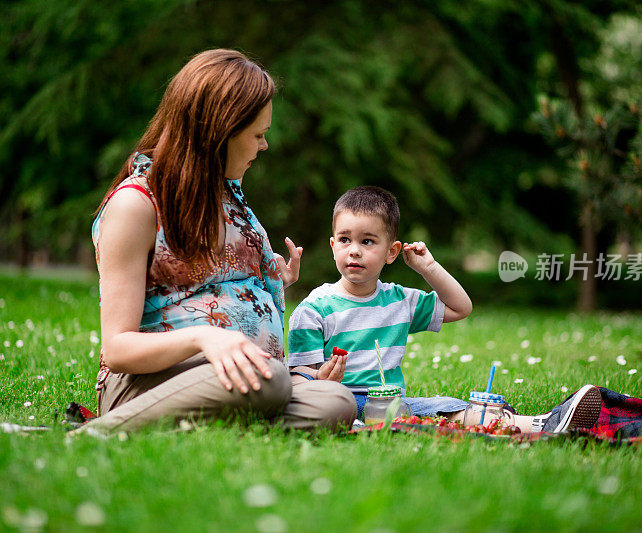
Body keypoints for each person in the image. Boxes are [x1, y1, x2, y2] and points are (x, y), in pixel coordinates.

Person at [71, 49, 356, 436]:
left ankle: (215, 425)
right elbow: (118, 350)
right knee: (270, 380)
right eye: (257, 135)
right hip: (149, 383)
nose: (264, 146)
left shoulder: (227, 197)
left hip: (240, 379)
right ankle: (98, 432)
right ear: (219, 131)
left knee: (335, 401)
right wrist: (206, 337)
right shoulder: (136, 205)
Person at [287, 186, 602, 433]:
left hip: (393, 404)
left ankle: (541, 423)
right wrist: (321, 379)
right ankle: (536, 425)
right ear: (333, 245)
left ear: (391, 252)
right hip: (344, 403)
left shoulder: (399, 301)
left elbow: (460, 307)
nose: (354, 250)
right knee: (434, 411)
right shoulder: (314, 309)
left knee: (446, 406)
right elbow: (299, 386)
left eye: (368, 241)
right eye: (345, 239)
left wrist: (429, 269)